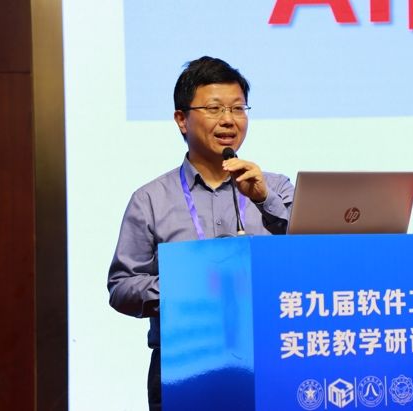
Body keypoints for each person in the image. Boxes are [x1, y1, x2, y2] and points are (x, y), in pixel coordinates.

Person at [107, 56, 294, 410]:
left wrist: (264, 200)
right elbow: (121, 287)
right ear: (182, 119)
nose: (228, 120)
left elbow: (310, 259)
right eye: (214, 108)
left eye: (238, 108)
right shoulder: (150, 199)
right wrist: (184, 285)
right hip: (184, 365)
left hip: (272, 358)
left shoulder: (277, 189)